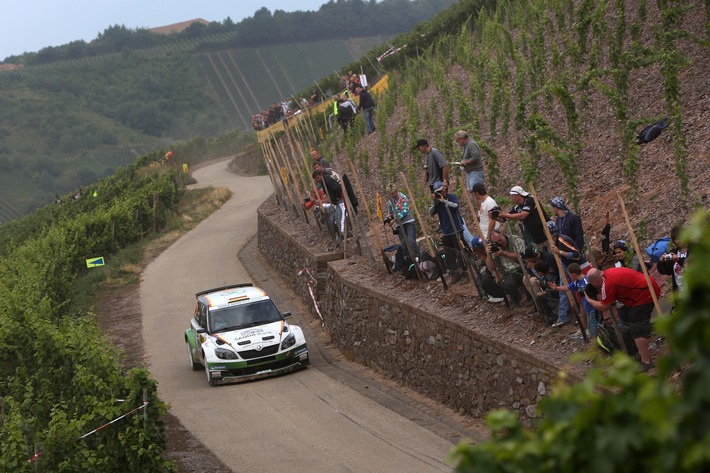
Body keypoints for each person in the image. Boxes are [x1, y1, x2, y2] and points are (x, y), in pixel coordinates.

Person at [584, 267, 661, 371]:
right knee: (629, 320)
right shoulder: (609, 272)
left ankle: (646, 362)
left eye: (593, 284)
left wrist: (589, 300)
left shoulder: (607, 283)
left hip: (643, 294)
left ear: (595, 281)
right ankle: (641, 352)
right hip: (644, 288)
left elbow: (604, 306)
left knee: (637, 328)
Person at [429, 181, 466, 284]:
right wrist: (434, 202)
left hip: (456, 228)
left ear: (444, 189)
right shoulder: (437, 203)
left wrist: (444, 201)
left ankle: (464, 271)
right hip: (446, 231)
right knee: (449, 253)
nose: (440, 192)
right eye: (438, 192)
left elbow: (455, 206)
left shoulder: (451, 197)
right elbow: (431, 212)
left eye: (441, 190)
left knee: (459, 252)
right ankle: (454, 273)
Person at [548, 262, 598, 337]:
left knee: (594, 326)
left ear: (574, 275)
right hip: (587, 309)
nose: (569, 276)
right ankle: (593, 338)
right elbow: (566, 288)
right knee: (590, 325)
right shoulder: (576, 283)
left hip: (593, 309)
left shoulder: (587, 280)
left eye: (570, 275)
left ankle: (597, 339)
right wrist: (556, 288)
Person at [485, 229, 526, 307]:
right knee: (503, 283)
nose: (500, 243)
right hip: (507, 272)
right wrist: (489, 255)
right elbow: (491, 268)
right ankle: (516, 298)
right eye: (497, 242)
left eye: (500, 240)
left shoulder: (515, 240)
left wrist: (503, 253)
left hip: (521, 267)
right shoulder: (495, 248)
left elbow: (522, 257)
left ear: (503, 235)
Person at [385, 183, 420, 260]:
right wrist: (388, 219)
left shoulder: (403, 197)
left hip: (408, 222)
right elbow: (390, 212)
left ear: (397, 191)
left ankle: (418, 257)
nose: (393, 195)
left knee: (411, 241)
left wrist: (394, 220)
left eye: (393, 193)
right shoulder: (391, 201)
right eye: (391, 194)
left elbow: (405, 211)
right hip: (399, 225)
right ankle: (408, 259)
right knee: (404, 244)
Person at [313, 169, 346, 241]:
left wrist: (336, 198)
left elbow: (338, 188)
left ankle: (344, 236)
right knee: (337, 218)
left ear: (321, 175)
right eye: (316, 179)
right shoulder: (323, 182)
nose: (317, 180)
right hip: (335, 202)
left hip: (339, 201)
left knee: (340, 218)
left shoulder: (327, 180)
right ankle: (342, 236)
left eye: (318, 177)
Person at [657, 224, 690, 294]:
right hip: (680, 291)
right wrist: (661, 262)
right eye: (676, 239)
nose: (678, 241)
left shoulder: (693, 249)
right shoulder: (674, 252)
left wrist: (678, 259)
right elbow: (666, 271)